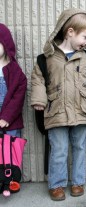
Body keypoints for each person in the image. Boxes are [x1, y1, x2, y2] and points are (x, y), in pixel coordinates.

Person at [30, 8, 86, 201]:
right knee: (59, 149)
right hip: (56, 111)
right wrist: (39, 100)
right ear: (70, 32)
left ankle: (78, 182)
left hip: (82, 110)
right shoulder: (46, 58)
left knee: (80, 146)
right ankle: (56, 185)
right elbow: (38, 79)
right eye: (85, 37)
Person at [0, 23, 27, 197]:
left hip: (10, 120)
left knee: (9, 152)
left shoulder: (14, 70)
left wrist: (6, 117)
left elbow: (19, 95)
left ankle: (10, 182)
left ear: (6, 44)